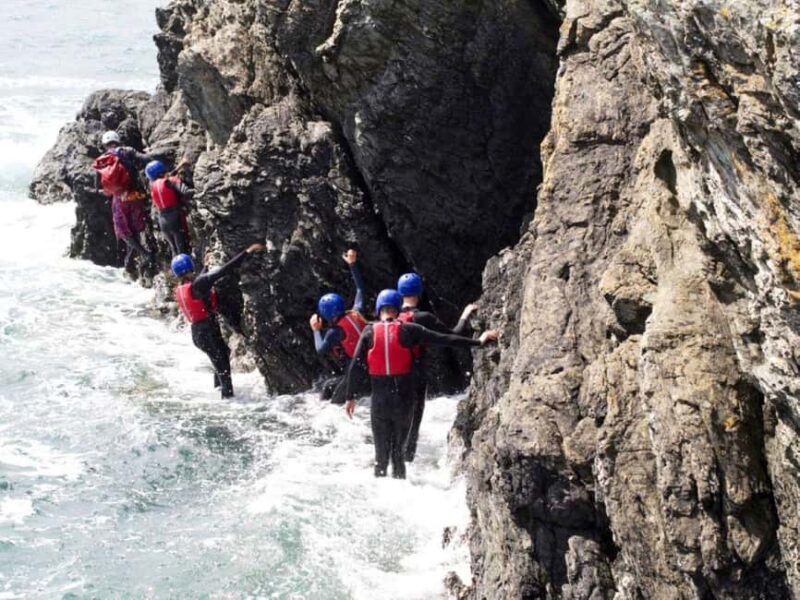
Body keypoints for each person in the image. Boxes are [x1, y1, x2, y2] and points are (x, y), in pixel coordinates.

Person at [344, 289, 497, 479]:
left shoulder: (368, 332)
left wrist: (350, 397)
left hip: (380, 403)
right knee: (398, 455)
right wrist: (478, 342)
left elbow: (355, 367)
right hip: (404, 402)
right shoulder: (409, 330)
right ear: (397, 309)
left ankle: (381, 494)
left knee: (380, 458)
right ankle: (400, 494)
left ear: (378, 309)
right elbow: (446, 339)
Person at [396, 272, 479, 462]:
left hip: (392, 376)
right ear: (419, 292)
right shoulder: (423, 317)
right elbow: (453, 335)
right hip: (415, 376)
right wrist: (465, 315)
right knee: (412, 424)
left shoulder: (391, 319)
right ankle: (406, 465)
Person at [171, 243, 265, 398]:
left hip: (199, 333)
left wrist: (206, 267)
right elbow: (223, 270)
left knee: (221, 360)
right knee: (223, 369)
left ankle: (218, 391)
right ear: (190, 267)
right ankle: (227, 401)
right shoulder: (197, 285)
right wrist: (247, 252)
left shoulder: (184, 287)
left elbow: (200, 284)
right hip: (207, 333)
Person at [309, 248, 371, 404]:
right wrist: (352, 264)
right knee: (329, 385)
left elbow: (320, 350)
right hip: (370, 365)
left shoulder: (335, 332)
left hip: (357, 373)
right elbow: (360, 288)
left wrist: (316, 330)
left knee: (335, 403)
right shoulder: (356, 312)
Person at [92, 131, 157, 270]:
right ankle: (141, 255)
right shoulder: (127, 151)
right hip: (136, 195)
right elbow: (146, 159)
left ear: (104, 145)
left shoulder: (101, 160)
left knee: (124, 231)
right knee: (139, 226)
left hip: (119, 199)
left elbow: (98, 187)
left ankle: (141, 255)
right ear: (118, 141)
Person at [145, 158, 192, 256]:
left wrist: (179, 167)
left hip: (163, 221)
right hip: (175, 218)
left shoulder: (152, 185)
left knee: (174, 251)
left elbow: (166, 179)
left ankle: (176, 270)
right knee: (183, 250)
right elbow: (186, 192)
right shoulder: (171, 181)